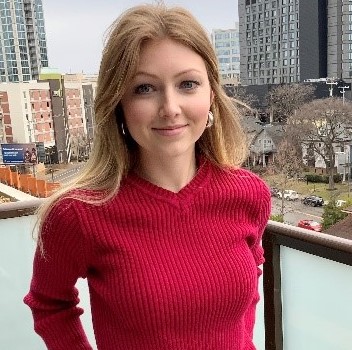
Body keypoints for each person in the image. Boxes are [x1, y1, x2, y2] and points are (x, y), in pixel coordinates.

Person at [24, 4, 271, 350]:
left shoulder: (249, 195)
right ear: (118, 102)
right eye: (144, 88)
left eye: (188, 84)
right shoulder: (77, 215)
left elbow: (251, 284)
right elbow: (50, 305)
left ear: (211, 95)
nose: (170, 108)